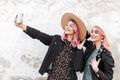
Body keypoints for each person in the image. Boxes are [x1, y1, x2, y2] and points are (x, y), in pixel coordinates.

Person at [14, 13, 87, 80]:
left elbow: (78, 68)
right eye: (66, 25)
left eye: (71, 26)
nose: (67, 27)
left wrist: (79, 50)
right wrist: (23, 26)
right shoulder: (56, 40)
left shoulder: (77, 48)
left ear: (75, 30)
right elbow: (40, 35)